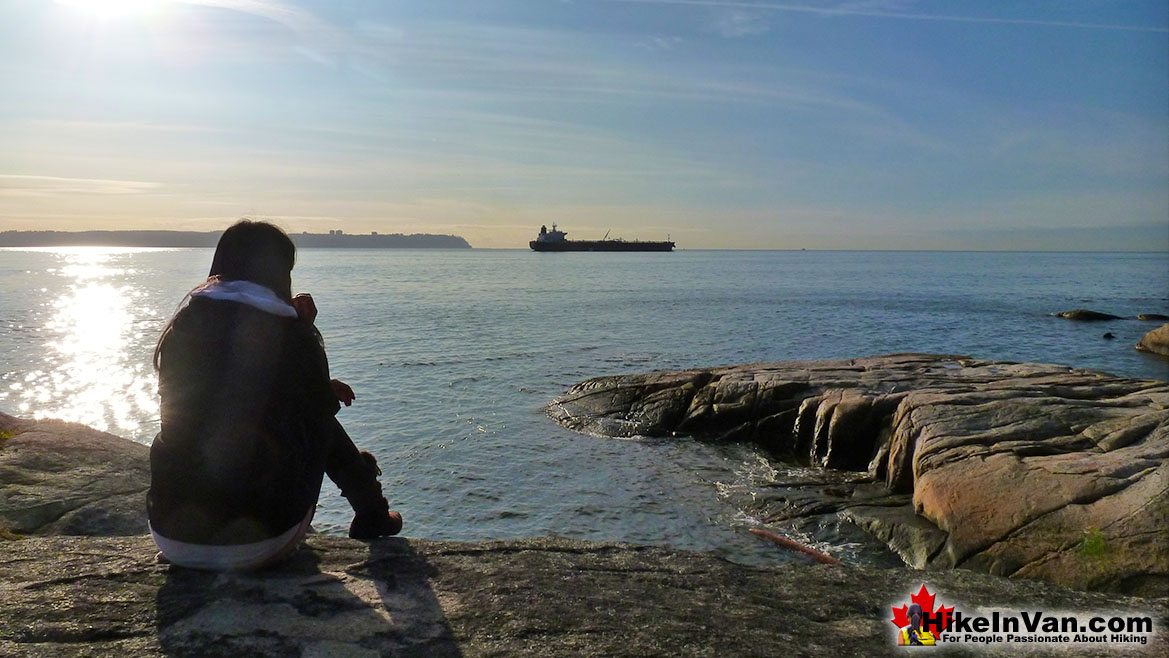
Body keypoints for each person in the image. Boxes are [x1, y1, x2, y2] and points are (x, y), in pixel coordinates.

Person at [148, 220, 402, 571]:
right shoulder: (290, 333)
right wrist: (305, 331)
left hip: (172, 536)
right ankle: (372, 512)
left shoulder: (185, 324)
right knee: (321, 423)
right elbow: (315, 412)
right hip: (258, 542)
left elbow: (224, 397)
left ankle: (369, 500)